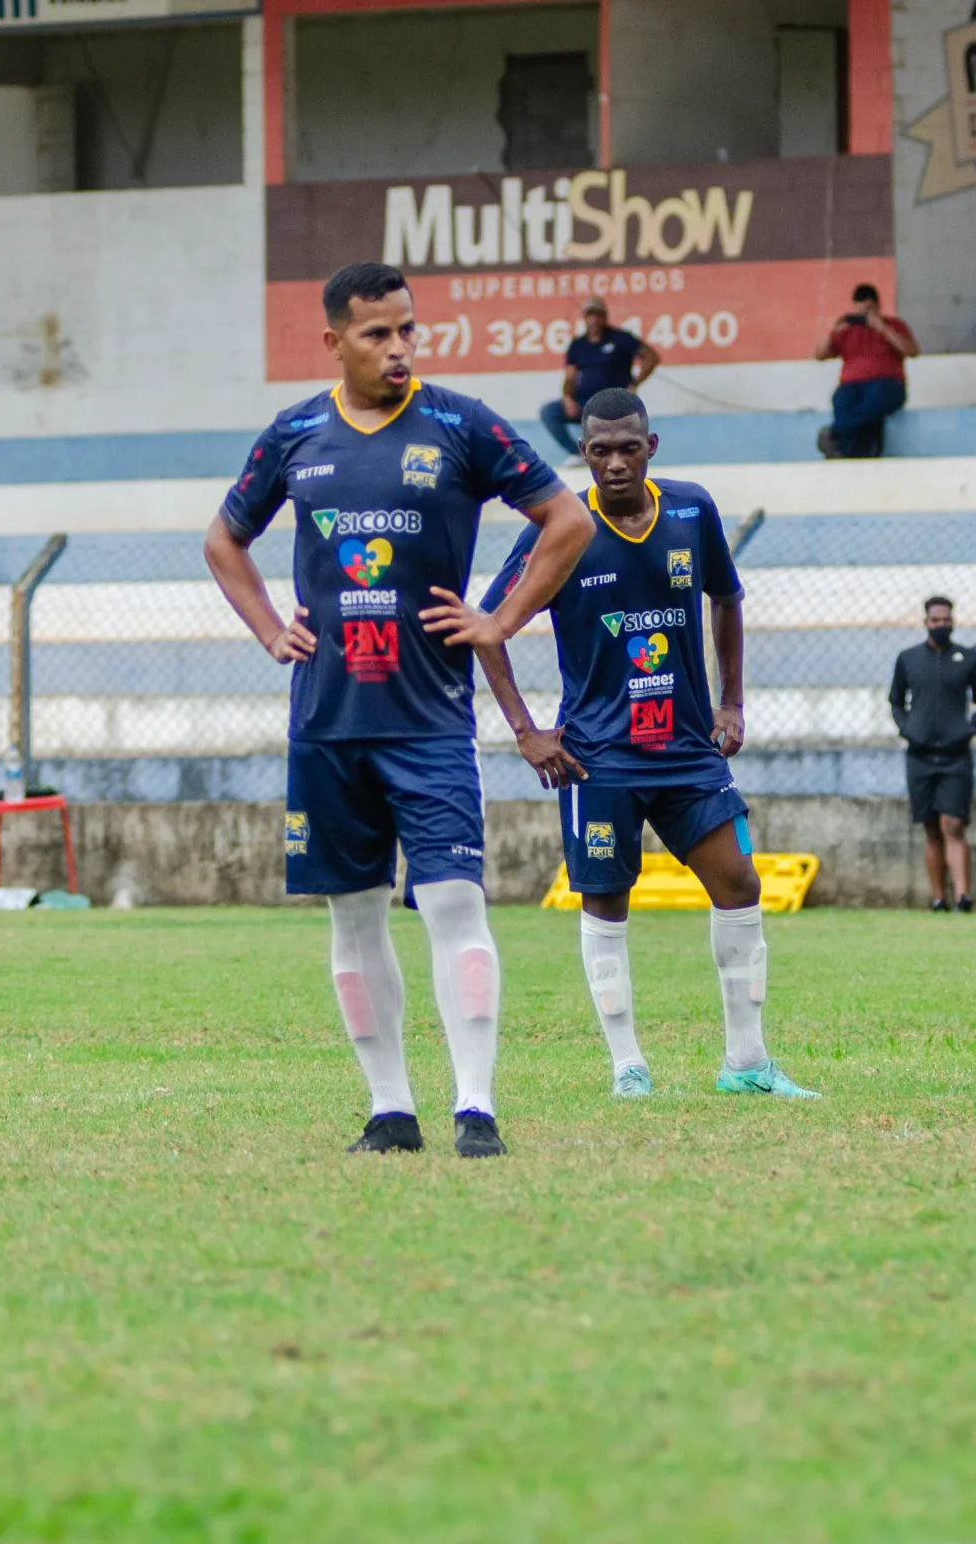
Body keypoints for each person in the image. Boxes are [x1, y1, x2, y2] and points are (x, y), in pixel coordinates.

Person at [204, 261, 595, 1158]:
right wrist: (270, 628)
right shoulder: (295, 432)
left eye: (409, 329)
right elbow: (224, 537)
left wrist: (498, 617)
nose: (400, 349)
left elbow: (565, 519)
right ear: (334, 339)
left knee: (455, 901)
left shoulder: (459, 422)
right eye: (378, 334)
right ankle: (389, 1110)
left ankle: (476, 1107)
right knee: (354, 916)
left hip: (430, 720)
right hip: (328, 722)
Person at [477, 388, 817, 1101]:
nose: (615, 461)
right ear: (585, 453)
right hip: (597, 757)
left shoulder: (691, 510)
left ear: (651, 446)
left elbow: (727, 599)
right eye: (599, 450)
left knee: (740, 883)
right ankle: (627, 1064)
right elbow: (488, 629)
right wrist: (526, 731)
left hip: (690, 749)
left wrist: (731, 701)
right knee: (605, 901)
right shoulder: (559, 528)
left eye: (628, 446)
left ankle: (747, 1061)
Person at [889, 596, 976, 912]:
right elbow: (895, 701)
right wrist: (909, 730)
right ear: (926, 622)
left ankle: (963, 896)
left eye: (946, 620)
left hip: (956, 756)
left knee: (954, 824)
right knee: (931, 826)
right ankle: (939, 898)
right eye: (935, 620)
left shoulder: (969, 658)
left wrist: (966, 730)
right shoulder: (907, 659)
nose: (941, 625)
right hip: (919, 756)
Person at [814, 283, 918, 460]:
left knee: (875, 399)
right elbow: (819, 355)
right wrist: (833, 332)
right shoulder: (849, 331)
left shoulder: (894, 325)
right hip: (852, 386)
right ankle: (847, 451)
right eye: (860, 310)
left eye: (868, 309)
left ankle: (836, 434)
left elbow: (911, 351)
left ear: (877, 306)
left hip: (886, 384)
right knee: (841, 401)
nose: (864, 315)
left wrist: (882, 328)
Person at [545, 300, 657, 460]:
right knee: (549, 411)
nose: (594, 319)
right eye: (590, 315)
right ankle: (577, 454)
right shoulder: (578, 344)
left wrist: (634, 383)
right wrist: (568, 397)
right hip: (584, 402)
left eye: (598, 315)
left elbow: (651, 357)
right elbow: (570, 377)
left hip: (614, 400)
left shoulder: (621, 338)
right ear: (584, 318)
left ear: (604, 317)